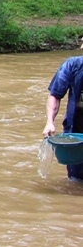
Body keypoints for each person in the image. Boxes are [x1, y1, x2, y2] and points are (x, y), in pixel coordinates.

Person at [43, 38, 83, 181]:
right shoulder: (72, 65)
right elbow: (55, 95)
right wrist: (50, 121)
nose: (81, 47)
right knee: (76, 180)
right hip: (77, 135)